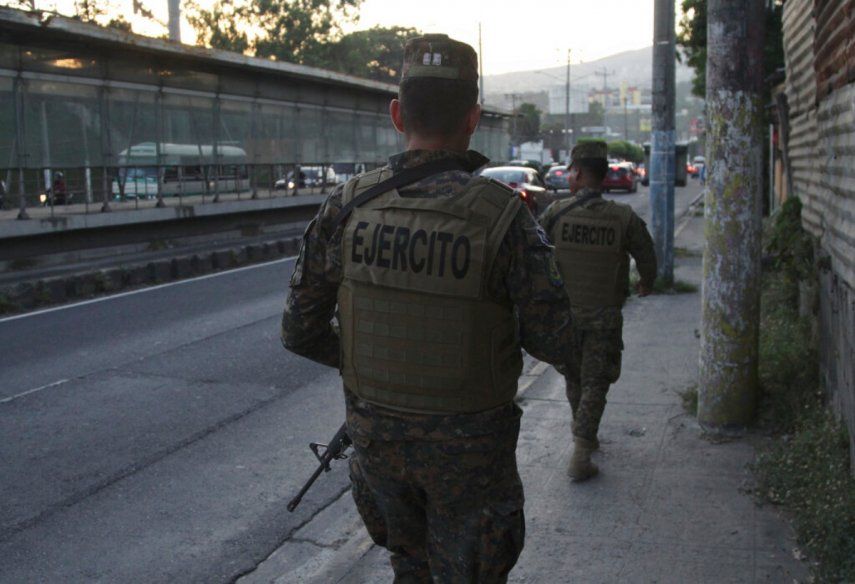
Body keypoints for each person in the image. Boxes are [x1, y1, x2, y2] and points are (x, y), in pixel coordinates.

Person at [282, 34, 576, 582]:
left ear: (398, 114)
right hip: (471, 457)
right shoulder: (504, 218)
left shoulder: (345, 207)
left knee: (408, 567)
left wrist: (370, 360)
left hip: (378, 449)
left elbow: (299, 332)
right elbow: (556, 340)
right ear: (473, 118)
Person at [538, 140, 657, 482]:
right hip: (603, 316)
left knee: (575, 377)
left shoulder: (555, 213)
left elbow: (533, 254)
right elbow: (646, 256)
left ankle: (583, 434)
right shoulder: (622, 217)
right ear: (603, 176)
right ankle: (582, 447)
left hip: (565, 317)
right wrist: (646, 283)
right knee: (595, 381)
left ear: (576, 172)